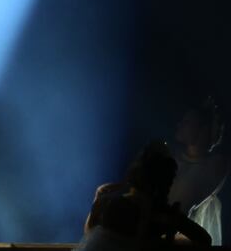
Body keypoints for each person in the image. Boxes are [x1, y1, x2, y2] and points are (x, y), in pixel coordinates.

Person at [83, 140, 211, 248]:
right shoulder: (161, 212)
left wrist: (97, 201)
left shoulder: (109, 202)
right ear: (164, 183)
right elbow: (204, 239)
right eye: (170, 181)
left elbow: (90, 235)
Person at [168, 97, 229, 245]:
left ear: (203, 129)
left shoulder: (212, 167)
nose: (180, 125)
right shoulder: (171, 157)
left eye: (187, 122)